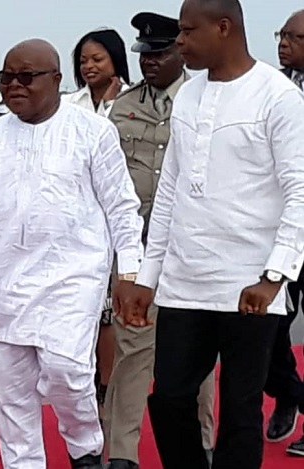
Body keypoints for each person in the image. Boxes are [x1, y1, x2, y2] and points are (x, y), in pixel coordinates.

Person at [0, 38, 144, 469]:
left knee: (68, 374)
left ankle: (85, 447)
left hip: (71, 280)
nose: (14, 86)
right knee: (11, 392)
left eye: (26, 77)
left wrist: (129, 276)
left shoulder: (93, 131)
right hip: (3, 285)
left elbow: (123, 210)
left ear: (56, 79)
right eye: (6, 78)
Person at [124, 0, 304, 468]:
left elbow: (300, 192)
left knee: (240, 412)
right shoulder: (188, 94)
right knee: (170, 398)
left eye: (187, 31)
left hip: (250, 285)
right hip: (185, 282)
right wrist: (148, 277)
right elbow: (170, 192)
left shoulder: (277, 96)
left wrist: (275, 274)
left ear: (224, 28)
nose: (179, 41)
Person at [104, 12, 215, 469]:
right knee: (132, 350)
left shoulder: (203, 100)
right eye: (144, 55)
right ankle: (121, 454)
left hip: (191, 245)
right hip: (136, 245)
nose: (150, 62)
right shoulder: (123, 106)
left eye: (160, 53)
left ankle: (202, 440)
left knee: (197, 351)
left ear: (179, 52)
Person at [62, 28, 131, 422]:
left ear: (116, 61)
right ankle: (84, 383)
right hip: (77, 224)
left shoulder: (132, 100)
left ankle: (107, 388)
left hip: (117, 222)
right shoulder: (69, 105)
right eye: (84, 61)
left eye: (98, 59)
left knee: (109, 312)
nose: (90, 67)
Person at [264, 9, 304, 454]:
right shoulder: (273, 89)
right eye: (282, 35)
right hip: (280, 228)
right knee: (270, 328)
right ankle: (290, 394)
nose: (284, 44)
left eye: (294, 37)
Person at [64, 28, 130, 117]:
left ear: (116, 59)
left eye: (97, 59)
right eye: (83, 61)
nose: (88, 66)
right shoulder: (67, 103)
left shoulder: (134, 100)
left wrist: (109, 103)